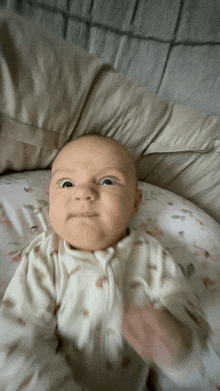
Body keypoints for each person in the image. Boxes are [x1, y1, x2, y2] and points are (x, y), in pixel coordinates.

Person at [0, 135, 212, 391]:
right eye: (67, 184)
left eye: (107, 181)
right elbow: (18, 335)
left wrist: (176, 339)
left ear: (135, 202)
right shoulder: (46, 256)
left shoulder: (149, 254)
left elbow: (182, 302)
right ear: (50, 202)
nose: (84, 193)